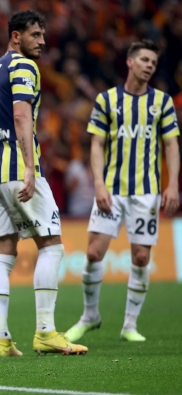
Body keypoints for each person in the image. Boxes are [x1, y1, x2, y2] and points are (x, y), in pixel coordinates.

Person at [0, 10, 88, 356]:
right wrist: (30, 169)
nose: (42, 42)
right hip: (17, 169)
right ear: (15, 36)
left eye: (43, 35)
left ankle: (1, 339)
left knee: (3, 253)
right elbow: (21, 115)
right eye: (35, 35)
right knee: (52, 245)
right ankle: (46, 331)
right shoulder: (23, 67)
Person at [65, 40, 180, 343]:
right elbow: (96, 144)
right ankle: (89, 316)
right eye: (144, 60)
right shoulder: (107, 100)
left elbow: (171, 144)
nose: (149, 66)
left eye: (153, 62)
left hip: (146, 192)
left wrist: (172, 184)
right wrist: (98, 184)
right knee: (93, 253)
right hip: (112, 191)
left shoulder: (162, 102)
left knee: (141, 257)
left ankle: (130, 325)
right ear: (130, 62)